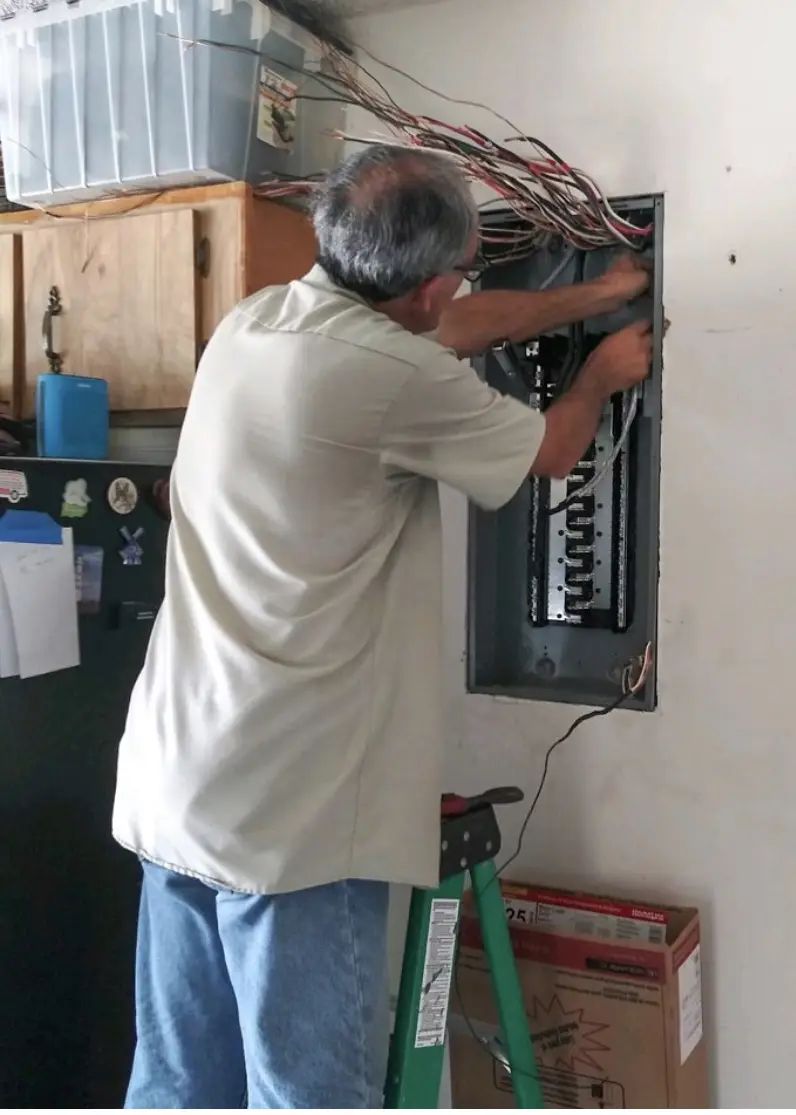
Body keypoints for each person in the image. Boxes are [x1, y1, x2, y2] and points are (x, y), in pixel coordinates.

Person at [112, 143, 655, 1109]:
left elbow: (448, 331)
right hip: (295, 823)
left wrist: (591, 292)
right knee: (312, 1093)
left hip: (178, 788)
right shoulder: (392, 375)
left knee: (179, 1084)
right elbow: (550, 452)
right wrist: (601, 373)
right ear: (431, 285)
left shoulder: (258, 320)